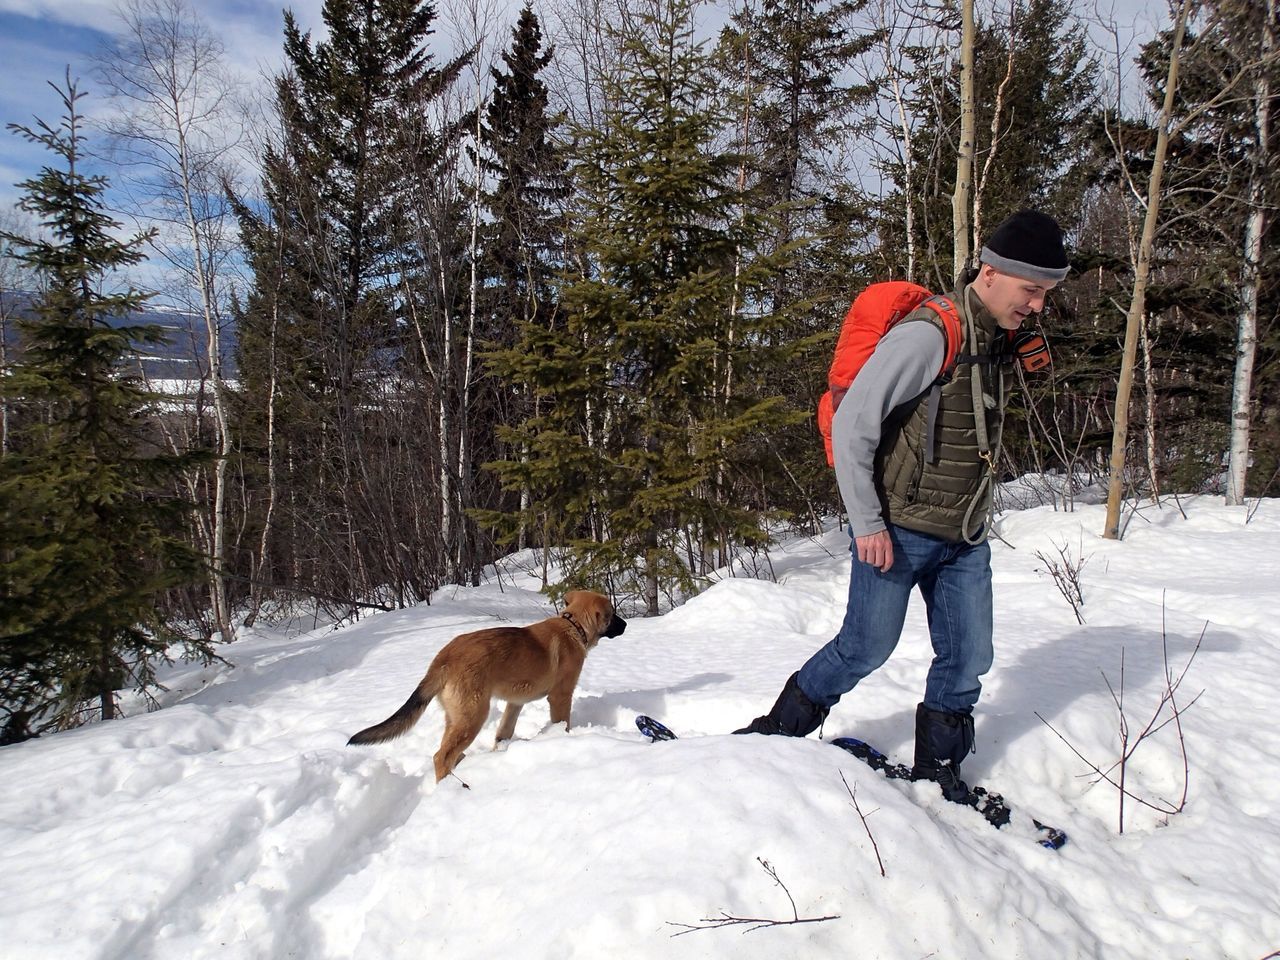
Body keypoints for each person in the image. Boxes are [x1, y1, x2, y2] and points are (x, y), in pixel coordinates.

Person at [735, 209, 1070, 803]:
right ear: (991, 274)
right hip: (897, 530)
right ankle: (776, 733)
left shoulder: (996, 336)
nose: (1038, 306)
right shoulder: (928, 336)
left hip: (963, 534)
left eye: (1044, 293)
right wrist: (866, 522)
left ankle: (939, 769)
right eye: (1031, 290)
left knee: (968, 657)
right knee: (865, 647)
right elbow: (855, 426)